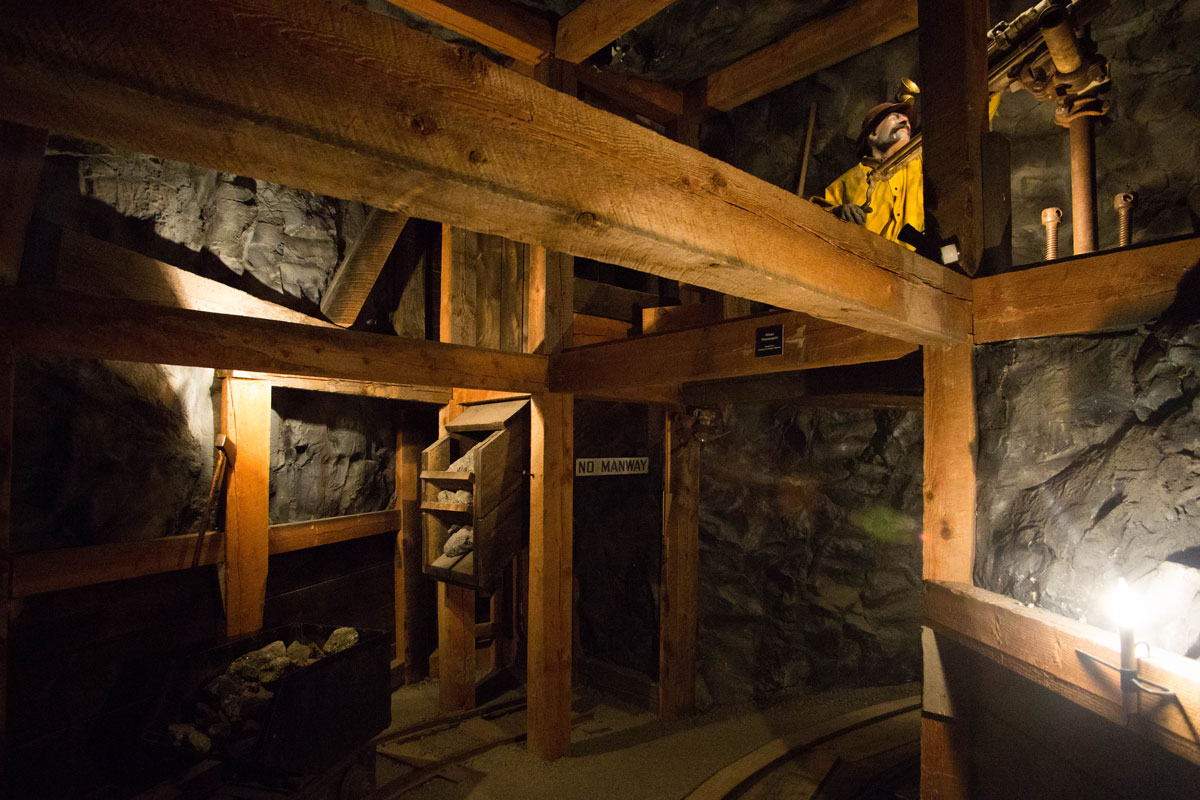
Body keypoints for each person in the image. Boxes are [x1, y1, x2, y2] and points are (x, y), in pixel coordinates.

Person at [821, 101, 923, 248]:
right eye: (895, 117)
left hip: (916, 266)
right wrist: (838, 212)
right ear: (873, 134)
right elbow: (817, 216)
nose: (905, 121)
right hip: (864, 263)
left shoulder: (920, 166)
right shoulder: (849, 180)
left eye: (908, 123)